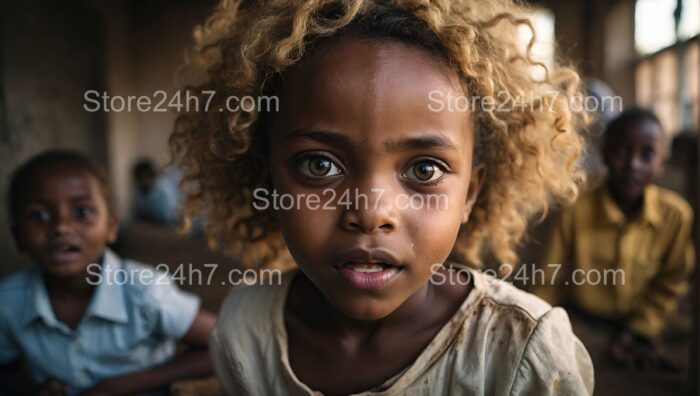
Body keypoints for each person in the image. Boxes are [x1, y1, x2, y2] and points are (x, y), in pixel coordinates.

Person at [170, 1, 595, 394]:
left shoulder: (521, 352)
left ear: (471, 193)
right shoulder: (244, 332)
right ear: (270, 183)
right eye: (319, 165)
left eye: (424, 170)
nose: (371, 213)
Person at [0, 150, 216, 395]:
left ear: (111, 228)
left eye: (82, 212)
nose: (61, 227)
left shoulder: (145, 290)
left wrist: (119, 386)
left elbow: (223, 345)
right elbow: (6, 369)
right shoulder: (8, 303)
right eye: (39, 215)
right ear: (18, 236)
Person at [533, 108, 695, 370]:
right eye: (621, 151)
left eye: (647, 154)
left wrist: (640, 329)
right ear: (604, 154)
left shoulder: (676, 216)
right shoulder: (575, 210)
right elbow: (548, 281)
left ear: (662, 161)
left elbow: (672, 282)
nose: (633, 164)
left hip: (648, 322)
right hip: (582, 322)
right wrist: (539, 327)